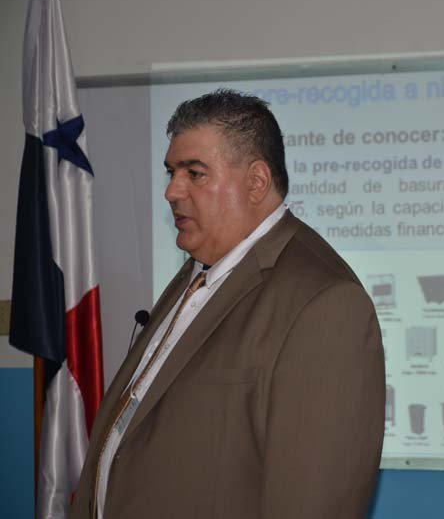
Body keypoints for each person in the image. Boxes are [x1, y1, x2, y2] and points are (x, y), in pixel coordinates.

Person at [71, 89, 386, 518]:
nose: (172, 191)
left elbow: (314, 502)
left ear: (256, 182)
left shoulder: (326, 304)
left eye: (195, 173)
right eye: (171, 172)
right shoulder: (200, 268)